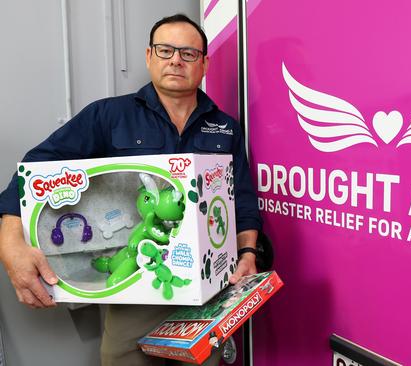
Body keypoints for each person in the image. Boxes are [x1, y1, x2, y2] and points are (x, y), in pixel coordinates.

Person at [0, 14, 261, 366]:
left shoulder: (225, 127)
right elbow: (35, 170)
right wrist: (10, 242)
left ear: (204, 63)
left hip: (210, 287)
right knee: (121, 357)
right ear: (149, 56)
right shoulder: (109, 116)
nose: (175, 60)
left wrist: (247, 253)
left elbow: (240, 197)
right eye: (166, 50)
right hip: (139, 281)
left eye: (188, 53)